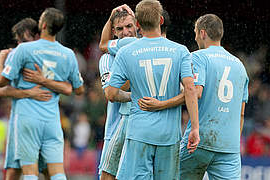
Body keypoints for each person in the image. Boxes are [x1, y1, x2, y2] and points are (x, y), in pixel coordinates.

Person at [139, 14, 249, 180]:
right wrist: (232, 141)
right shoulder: (240, 65)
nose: (196, 36)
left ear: (203, 33)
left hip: (200, 140)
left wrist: (160, 104)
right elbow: (241, 113)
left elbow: (195, 92)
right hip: (229, 146)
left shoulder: (198, 57)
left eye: (196, 32)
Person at [105, 0, 200, 179]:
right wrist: (194, 127)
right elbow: (190, 88)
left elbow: (110, 93)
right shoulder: (180, 51)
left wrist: (132, 97)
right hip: (169, 135)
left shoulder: (126, 52)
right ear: (161, 20)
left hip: (139, 132)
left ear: (138, 24)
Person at [0, 8, 84, 180]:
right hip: (52, 119)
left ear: (43, 25)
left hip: (27, 117)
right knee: (57, 173)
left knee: (29, 172)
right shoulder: (68, 54)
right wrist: (50, 83)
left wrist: (0, 60)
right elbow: (78, 89)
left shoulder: (24, 50)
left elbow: (1, 82)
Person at [98, 5, 136, 180]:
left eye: (129, 26)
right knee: (107, 176)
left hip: (143, 130)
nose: (125, 32)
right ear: (113, 32)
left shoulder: (148, 50)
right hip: (114, 129)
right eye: (120, 29)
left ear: (137, 26)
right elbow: (111, 94)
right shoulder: (107, 59)